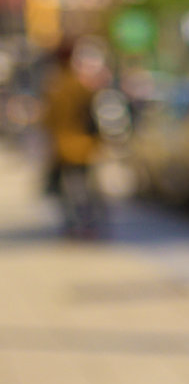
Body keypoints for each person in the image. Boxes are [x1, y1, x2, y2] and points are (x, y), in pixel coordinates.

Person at [41, 39, 107, 238]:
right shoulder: (79, 85)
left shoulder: (55, 85)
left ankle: (75, 226)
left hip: (63, 146)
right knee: (82, 189)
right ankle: (85, 225)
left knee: (69, 191)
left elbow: (49, 118)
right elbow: (92, 113)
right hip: (82, 145)